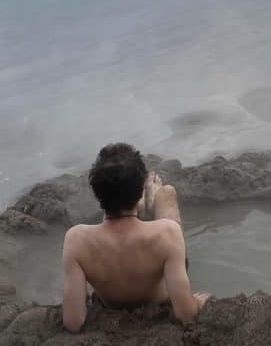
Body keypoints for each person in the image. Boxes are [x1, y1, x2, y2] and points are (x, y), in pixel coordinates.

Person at [61, 142, 209, 332]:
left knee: (117, 209)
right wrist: (197, 301)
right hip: (159, 297)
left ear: (97, 194)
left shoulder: (76, 239)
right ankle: (150, 199)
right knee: (167, 193)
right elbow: (185, 314)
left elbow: (73, 322)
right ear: (139, 189)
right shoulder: (168, 233)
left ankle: (128, 204)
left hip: (110, 300)